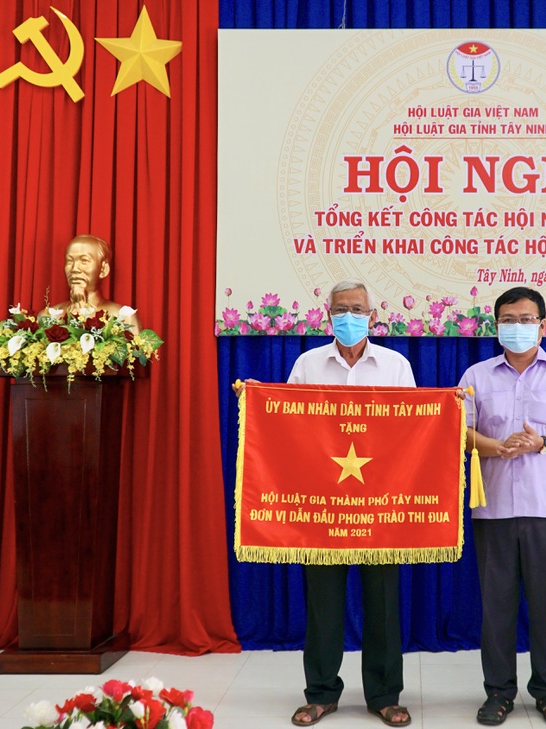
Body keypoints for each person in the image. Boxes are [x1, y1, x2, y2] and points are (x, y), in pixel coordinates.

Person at [239, 280, 415, 727]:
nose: (349, 317)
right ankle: (320, 693)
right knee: (322, 606)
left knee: (383, 605)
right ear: (327, 315)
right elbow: (286, 426)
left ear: (373, 316)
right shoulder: (308, 363)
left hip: (380, 507)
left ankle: (384, 695)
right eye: (341, 310)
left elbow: (415, 431)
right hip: (322, 507)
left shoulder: (395, 365)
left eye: (357, 309)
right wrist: (258, 401)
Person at [458, 287, 546, 728]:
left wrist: (540, 442)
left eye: (526, 319)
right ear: (495, 326)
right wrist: (496, 447)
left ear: (543, 326)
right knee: (495, 609)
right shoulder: (477, 375)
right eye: (508, 320)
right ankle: (498, 693)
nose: (517, 327)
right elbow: (460, 433)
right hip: (493, 510)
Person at [47, 234, 142, 334]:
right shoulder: (48, 317)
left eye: (84, 261)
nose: (74, 269)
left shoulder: (123, 317)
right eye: (69, 261)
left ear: (103, 269)